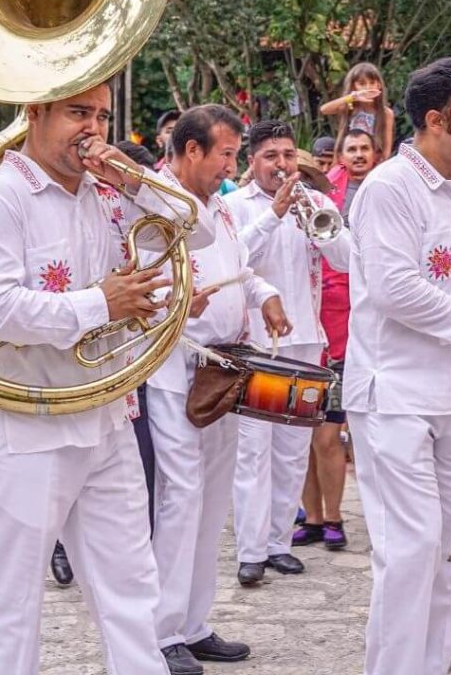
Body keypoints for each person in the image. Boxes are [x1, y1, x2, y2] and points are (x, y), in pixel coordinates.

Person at [0, 86, 206, 675]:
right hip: (26, 421)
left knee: (131, 586)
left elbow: (199, 233)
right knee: (15, 594)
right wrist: (101, 303)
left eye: (101, 116)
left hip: (106, 415)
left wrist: (137, 182)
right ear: (34, 112)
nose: (92, 129)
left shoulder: (108, 194)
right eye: (78, 113)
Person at [343, 57, 451, 675]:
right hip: (396, 395)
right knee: (411, 552)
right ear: (434, 120)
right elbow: (394, 290)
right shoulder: (391, 186)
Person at [145, 104, 291, 675]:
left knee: (211, 497)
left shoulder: (220, 207)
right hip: (176, 366)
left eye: (234, 154)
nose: (232, 165)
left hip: (225, 367)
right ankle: (161, 631)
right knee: (181, 497)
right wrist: (177, 306)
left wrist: (265, 294)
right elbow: (136, 284)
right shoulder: (155, 202)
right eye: (226, 155)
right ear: (191, 151)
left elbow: (241, 269)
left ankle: (193, 622)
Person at [228, 122, 351, 586]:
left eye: (286, 155)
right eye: (270, 156)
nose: (281, 164)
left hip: (306, 341)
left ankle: (279, 542)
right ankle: (250, 549)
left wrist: (317, 226)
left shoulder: (317, 203)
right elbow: (233, 260)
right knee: (253, 452)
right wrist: (274, 215)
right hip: (256, 345)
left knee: (292, 451)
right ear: (252, 162)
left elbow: (345, 259)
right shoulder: (235, 207)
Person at [295, 126, 378, 550]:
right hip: (307, 332)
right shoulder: (325, 194)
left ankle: (333, 516)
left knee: (327, 436)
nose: (359, 154)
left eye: (366, 147)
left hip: (346, 332)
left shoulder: (375, 191)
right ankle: (310, 517)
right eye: (352, 149)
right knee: (303, 436)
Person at [319, 62, 395, 159]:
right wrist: (352, 97)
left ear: (379, 85)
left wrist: (382, 165)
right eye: (362, 84)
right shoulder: (349, 107)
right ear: (353, 86)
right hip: (348, 159)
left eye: (372, 83)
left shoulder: (386, 113)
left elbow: (387, 147)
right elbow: (324, 109)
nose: (368, 88)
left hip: (372, 161)